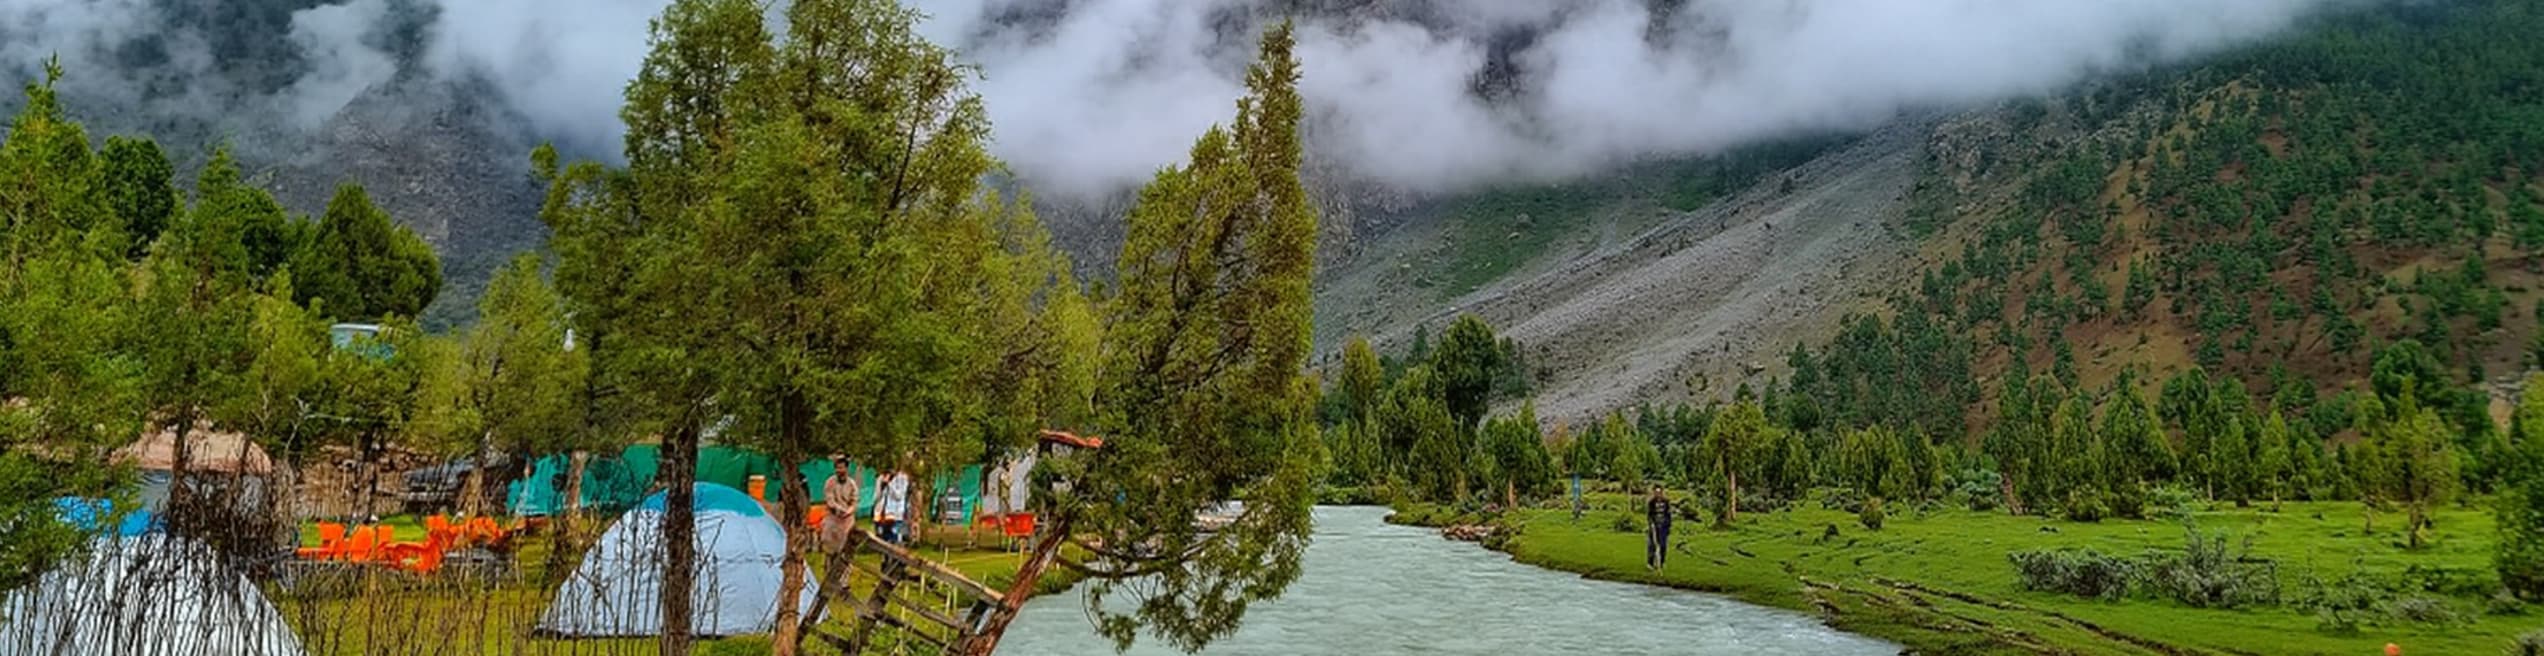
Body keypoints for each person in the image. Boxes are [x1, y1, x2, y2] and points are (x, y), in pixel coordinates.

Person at [820, 456, 859, 551]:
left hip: (847, 519)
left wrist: (849, 511)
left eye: (841, 468)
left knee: (847, 544)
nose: (839, 470)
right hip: (833, 517)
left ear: (846, 468)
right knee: (829, 545)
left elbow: (854, 501)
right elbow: (830, 501)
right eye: (837, 468)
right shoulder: (830, 482)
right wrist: (839, 509)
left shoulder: (852, 484)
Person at [873, 465, 912, 546]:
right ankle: (885, 557)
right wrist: (881, 485)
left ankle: (895, 557)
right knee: (882, 539)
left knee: (894, 538)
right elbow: (876, 496)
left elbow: (899, 496)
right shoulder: (881, 477)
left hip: (895, 514)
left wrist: (889, 483)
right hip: (881, 514)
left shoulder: (902, 478)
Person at [1645, 485, 1674, 571]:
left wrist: (1668, 525)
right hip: (1654, 526)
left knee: (1663, 545)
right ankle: (1650, 563)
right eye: (1656, 492)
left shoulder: (1666, 502)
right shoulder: (1651, 502)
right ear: (1654, 493)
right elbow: (1649, 515)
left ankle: (1661, 563)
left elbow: (1668, 515)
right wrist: (1651, 524)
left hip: (1663, 527)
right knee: (1652, 545)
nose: (1658, 494)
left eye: (1659, 492)